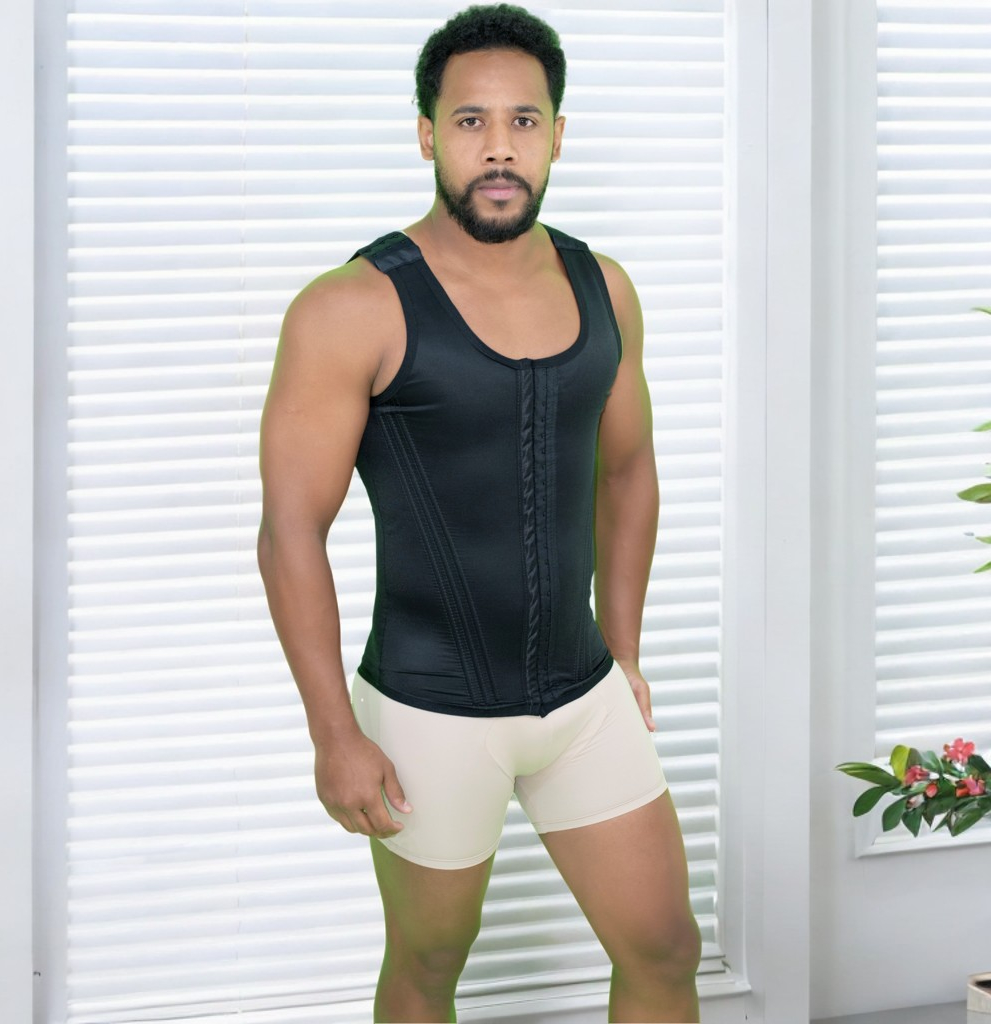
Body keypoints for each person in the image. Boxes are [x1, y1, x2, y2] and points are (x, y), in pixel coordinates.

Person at [257, 4, 702, 1021]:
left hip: (581, 697)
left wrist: (625, 650)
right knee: (428, 963)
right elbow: (291, 532)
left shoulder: (605, 288)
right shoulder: (349, 307)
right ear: (427, 134)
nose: (499, 147)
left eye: (523, 120)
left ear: (557, 134)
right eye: (470, 121)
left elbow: (628, 472)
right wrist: (335, 733)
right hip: (429, 713)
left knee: (665, 947)